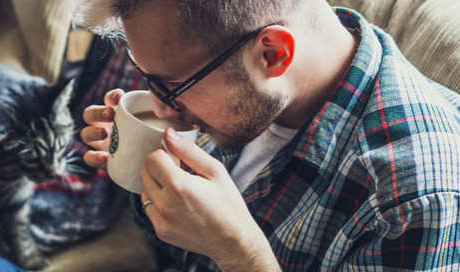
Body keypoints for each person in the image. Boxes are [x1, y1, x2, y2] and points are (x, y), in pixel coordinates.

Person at [76, 0, 460, 271]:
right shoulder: (248, 94)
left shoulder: (414, 198)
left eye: (171, 85)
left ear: (274, 54)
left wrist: (240, 255)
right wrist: (145, 168)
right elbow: (179, 246)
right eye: (146, 78)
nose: (159, 108)